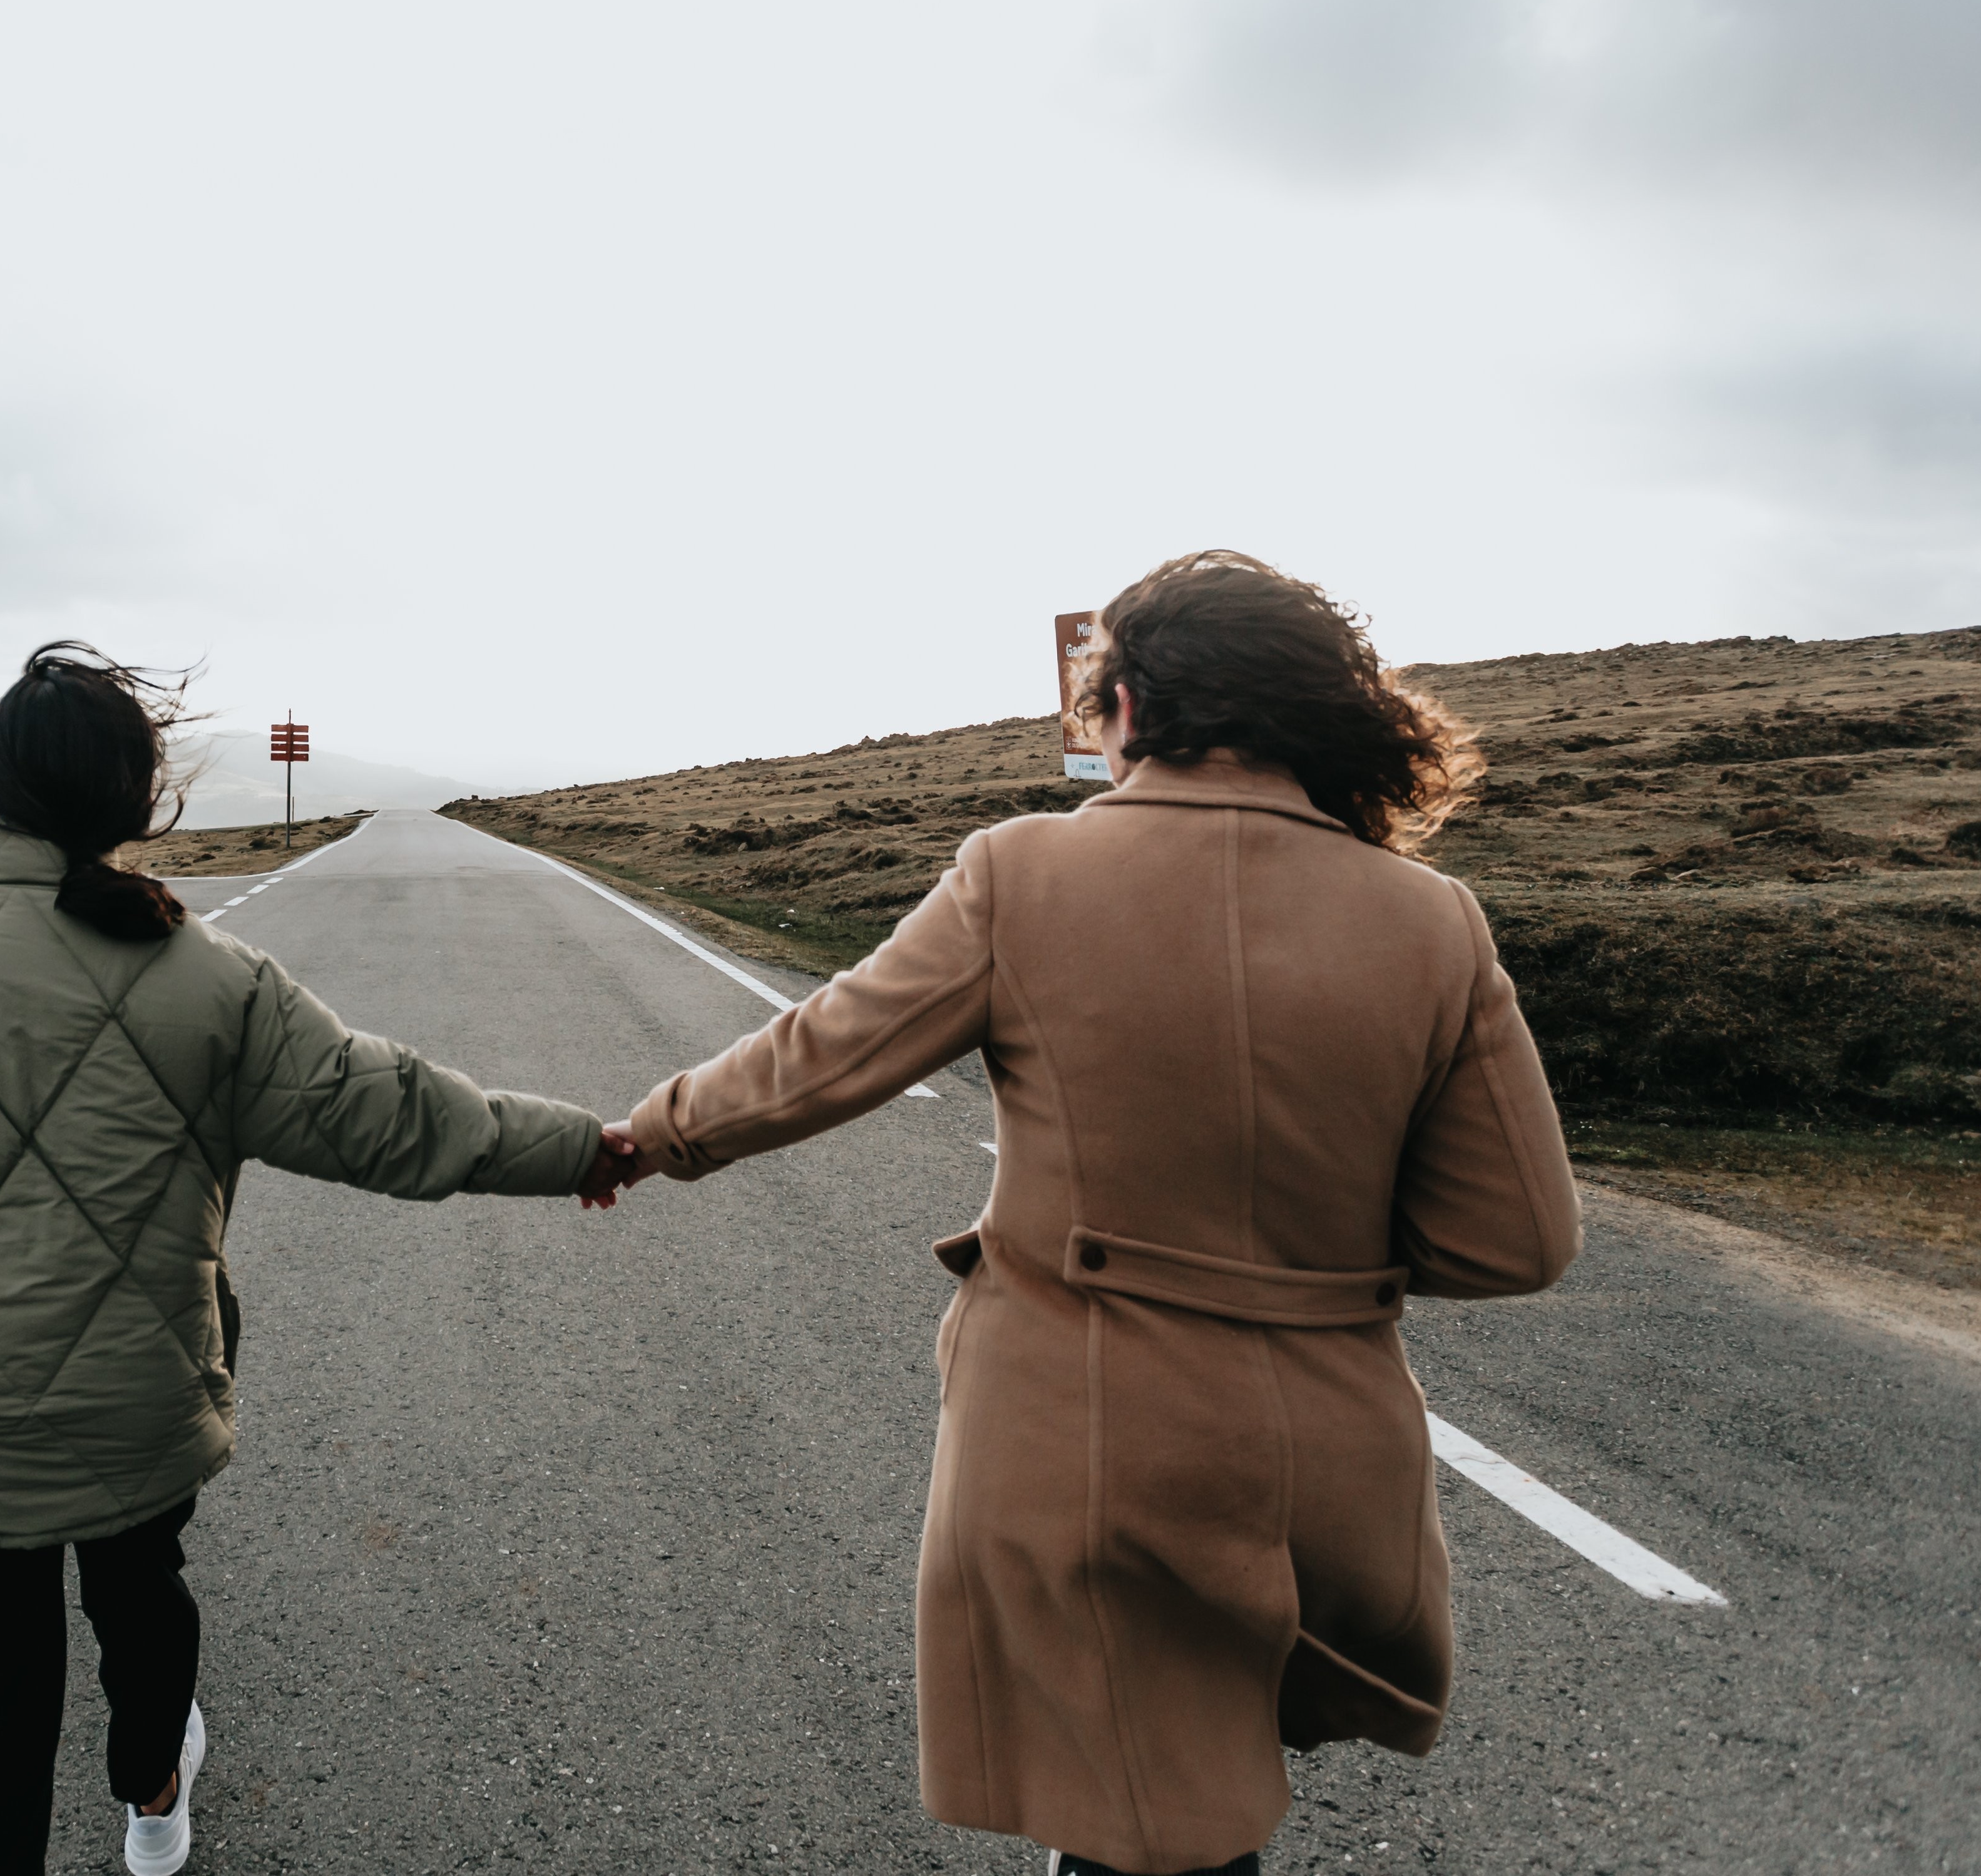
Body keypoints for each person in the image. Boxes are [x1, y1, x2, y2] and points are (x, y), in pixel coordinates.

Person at [609, 552, 1580, 1876]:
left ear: (1126, 704)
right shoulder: (1436, 920)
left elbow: (816, 1058)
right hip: (1330, 1462)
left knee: (1141, 1826)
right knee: (1181, 1812)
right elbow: (1516, 1241)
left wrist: (645, 1134)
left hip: (1084, 1441)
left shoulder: (1021, 875)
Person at [0, 643, 638, 1876]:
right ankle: (154, 1783)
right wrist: (586, 1148)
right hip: (135, 1408)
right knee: (141, 1591)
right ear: (136, 796)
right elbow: (391, 1112)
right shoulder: (203, 973)